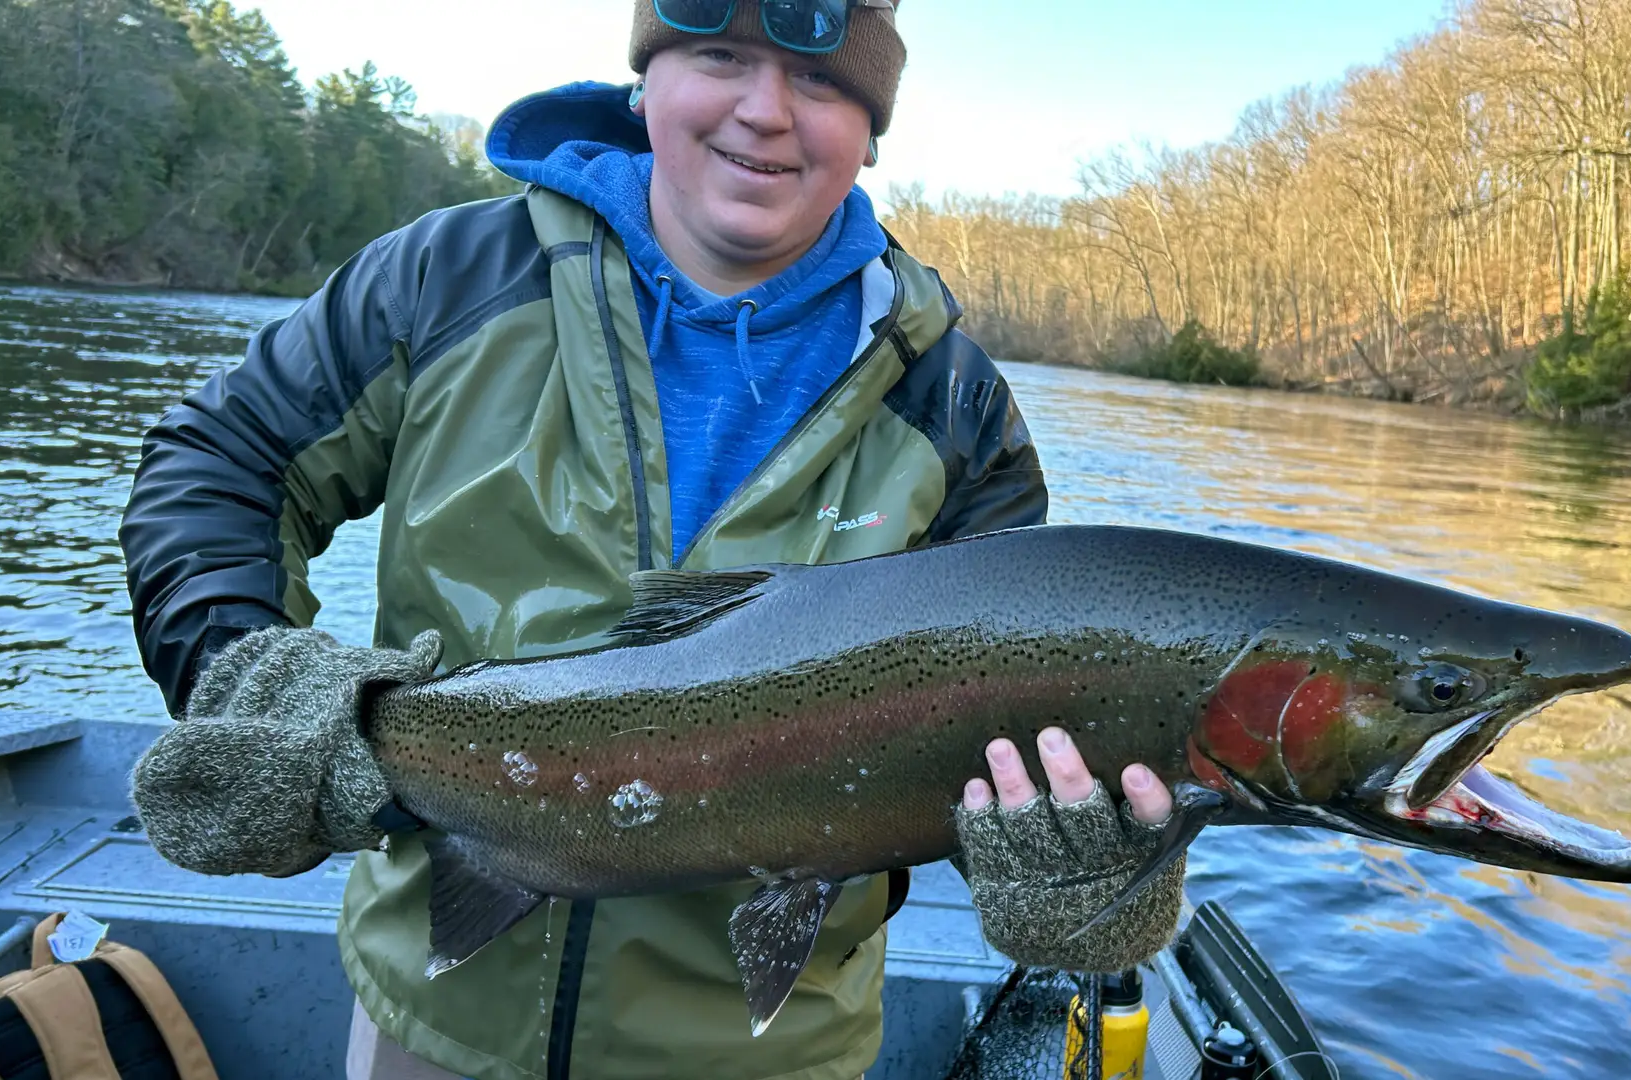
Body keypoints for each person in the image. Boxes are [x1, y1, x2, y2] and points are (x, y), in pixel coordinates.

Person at [119, 2, 1188, 1077]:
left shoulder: (957, 412)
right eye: (721, 56)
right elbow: (216, 463)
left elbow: (1009, 746)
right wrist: (251, 679)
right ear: (647, 80)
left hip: (775, 1055)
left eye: (819, 80)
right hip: (434, 1024)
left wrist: (1085, 880)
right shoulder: (444, 280)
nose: (764, 112)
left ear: (873, 127)